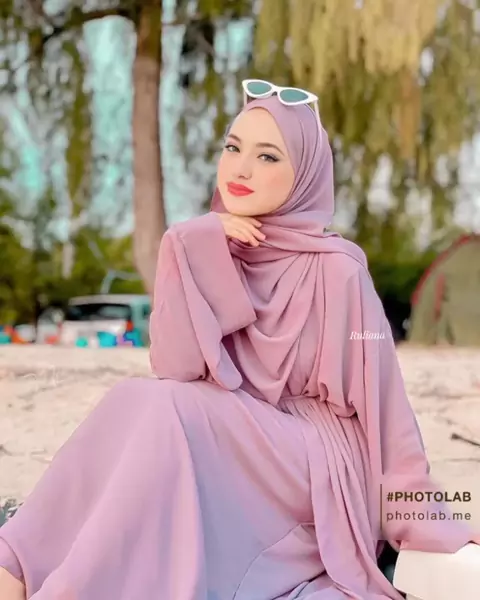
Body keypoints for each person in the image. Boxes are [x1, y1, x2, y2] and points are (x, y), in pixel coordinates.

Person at [0, 80, 478, 600]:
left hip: (312, 461)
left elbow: (386, 409)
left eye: (267, 156)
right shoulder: (205, 247)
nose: (241, 169)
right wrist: (187, 247)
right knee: (138, 399)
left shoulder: (339, 270)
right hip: (231, 437)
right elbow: (177, 367)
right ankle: (16, 568)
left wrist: (420, 516)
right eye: (233, 148)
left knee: (166, 408)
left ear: (305, 174)